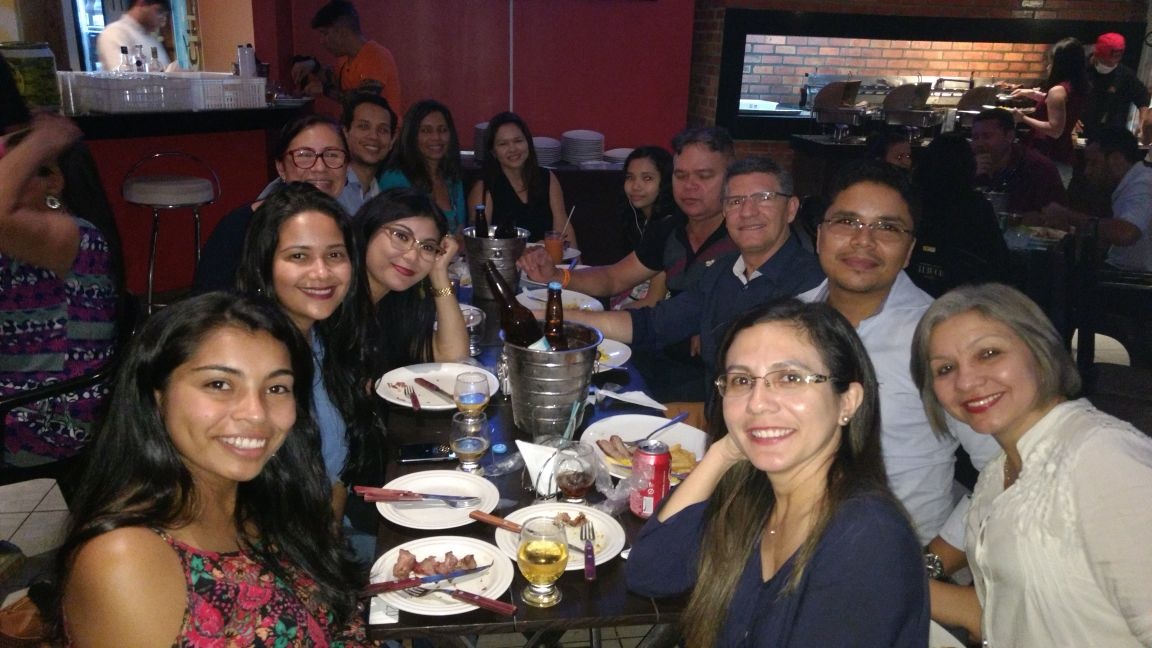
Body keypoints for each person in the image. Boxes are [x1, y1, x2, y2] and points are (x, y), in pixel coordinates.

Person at [56, 292, 372, 646]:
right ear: (157, 396)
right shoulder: (125, 561)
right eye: (219, 384)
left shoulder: (266, 496)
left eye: (276, 387)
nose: (256, 412)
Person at [627, 298, 928, 647]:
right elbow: (650, 572)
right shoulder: (756, 497)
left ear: (847, 401)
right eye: (741, 381)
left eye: (789, 378)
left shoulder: (866, 539)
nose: (757, 402)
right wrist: (725, 451)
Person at [910, 283, 1152, 646]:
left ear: (1039, 352)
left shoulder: (1101, 458)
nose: (967, 381)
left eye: (989, 353)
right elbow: (999, 614)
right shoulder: (999, 472)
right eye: (945, 369)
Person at [798, 160, 999, 543]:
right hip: (792, 544)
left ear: (909, 250)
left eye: (887, 228)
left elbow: (1006, 463)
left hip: (900, 552)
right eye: (847, 222)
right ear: (820, 236)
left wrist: (933, 565)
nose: (863, 241)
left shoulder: (943, 339)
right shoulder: (790, 321)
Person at [561, 157, 824, 400]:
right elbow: (652, 325)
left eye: (763, 198)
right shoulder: (725, 271)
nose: (747, 211)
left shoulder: (810, 286)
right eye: (735, 201)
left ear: (791, 209)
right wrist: (553, 317)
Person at [519, 127, 738, 402]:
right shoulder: (671, 228)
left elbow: (656, 322)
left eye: (704, 176)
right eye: (681, 175)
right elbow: (613, 278)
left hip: (705, 380)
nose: (689, 185)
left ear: (731, 179)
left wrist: (555, 317)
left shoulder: (741, 237)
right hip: (653, 353)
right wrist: (557, 275)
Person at [234, 182, 383, 566]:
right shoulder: (251, 364)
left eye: (334, 254)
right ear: (264, 264)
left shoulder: (318, 340)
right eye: (299, 256)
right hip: (274, 565)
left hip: (324, 541)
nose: (322, 273)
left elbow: (333, 476)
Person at [0, 114, 118, 471]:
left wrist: (40, 140)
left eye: (15, 171)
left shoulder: (73, 235)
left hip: (48, 414)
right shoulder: (21, 241)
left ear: (55, 181)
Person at [195, 115, 358, 292]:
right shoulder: (239, 229)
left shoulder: (349, 226)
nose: (320, 167)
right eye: (304, 155)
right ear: (281, 168)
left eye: (332, 155)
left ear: (347, 166)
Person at [355, 187, 467, 376]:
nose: (412, 256)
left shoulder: (395, 305)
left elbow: (452, 357)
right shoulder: (334, 303)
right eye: (401, 236)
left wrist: (439, 272)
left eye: (427, 247)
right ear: (368, 229)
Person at [907, 132, 1009, 297]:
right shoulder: (975, 204)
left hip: (914, 282)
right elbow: (998, 261)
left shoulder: (911, 199)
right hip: (966, 290)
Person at [1029, 127, 1145, 263]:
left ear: (1116, 159)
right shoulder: (1132, 182)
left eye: (1093, 163)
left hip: (1131, 279)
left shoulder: (1143, 184)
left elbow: (1126, 233)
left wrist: (1067, 215)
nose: (1087, 171)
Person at [468, 112, 576, 248]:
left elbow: (564, 231)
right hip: (504, 266)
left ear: (528, 143)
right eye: (503, 144)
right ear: (493, 152)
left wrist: (577, 267)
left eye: (518, 141)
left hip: (550, 265)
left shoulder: (547, 178)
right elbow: (479, 246)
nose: (512, 149)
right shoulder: (484, 189)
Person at [296, 0, 402, 112]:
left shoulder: (376, 55)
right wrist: (314, 67)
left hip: (382, 128)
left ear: (342, 32)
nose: (322, 41)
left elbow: (365, 99)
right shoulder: (345, 58)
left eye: (325, 33)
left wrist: (325, 90)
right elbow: (336, 82)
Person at [378, 100, 467, 233]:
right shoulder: (395, 179)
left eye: (442, 130)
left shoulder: (451, 178)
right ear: (411, 136)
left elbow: (460, 232)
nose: (436, 137)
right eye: (426, 131)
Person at [1010, 37, 1089, 173]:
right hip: (1062, 156)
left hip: (1048, 157)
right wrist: (1031, 94)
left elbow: (1055, 130)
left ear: (1061, 64)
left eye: (1051, 62)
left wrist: (1022, 118)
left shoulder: (1057, 91)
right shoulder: (1076, 87)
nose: (1048, 66)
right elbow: (1060, 106)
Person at [970, 108, 1068, 214]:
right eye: (975, 137)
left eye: (987, 136)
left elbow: (1057, 215)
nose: (979, 143)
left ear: (1009, 136)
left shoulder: (1037, 167)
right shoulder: (967, 164)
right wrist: (969, 176)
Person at [610, 146, 673, 309]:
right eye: (630, 178)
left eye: (647, 178)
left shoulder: (667, 227)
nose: (636, 186)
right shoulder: (640, 219)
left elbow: (654, 301)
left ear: (665, 182)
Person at [1083, 32, 1149, 140]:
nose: (1113, 63)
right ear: (1097, 54)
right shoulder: (1081, 70)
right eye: (1108, 62)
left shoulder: (1125, 74)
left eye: (1116, 60)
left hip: (1113, 132)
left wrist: (1143, 124)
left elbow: (1142, 98)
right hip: (1082, 129)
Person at [341, 92, 396, 208]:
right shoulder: (332, 187)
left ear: (392, 141)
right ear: (346, 133)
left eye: (383, 130)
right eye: (364, 127)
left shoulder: (379, 197)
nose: (374, 136)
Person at [95, 0, 172, 72]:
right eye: (159, 11)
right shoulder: (114, 32)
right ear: (142, 3)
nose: (163, 22)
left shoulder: (151, 38)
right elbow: (122, 78)